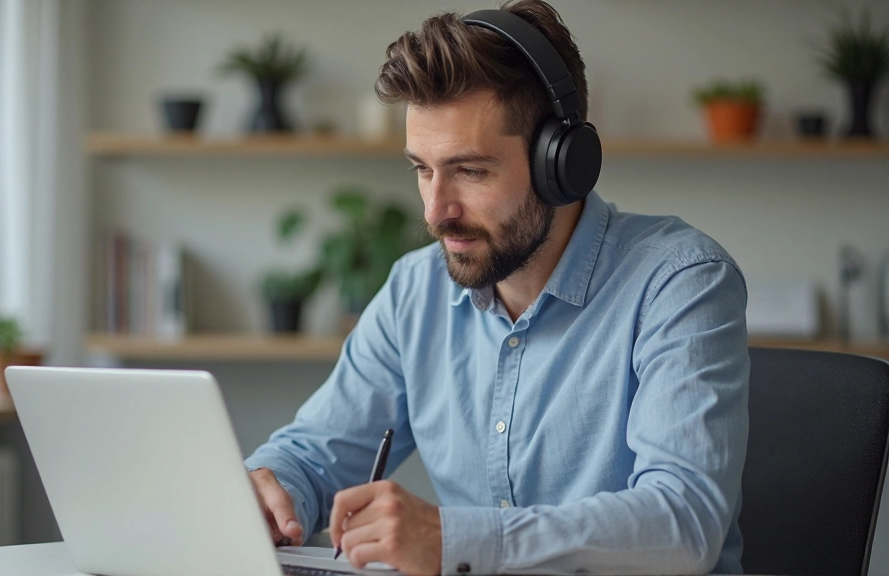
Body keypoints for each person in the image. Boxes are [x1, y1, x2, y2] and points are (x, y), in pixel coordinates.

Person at [244, 1, 749, 574]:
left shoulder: (680, 282)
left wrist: (453, 539)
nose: (436, 211)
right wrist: (270, 489)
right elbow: (313, 454)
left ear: (561, 163)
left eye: (470, 171)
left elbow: (683, 522)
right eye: (422, 169)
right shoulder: (416, 289)